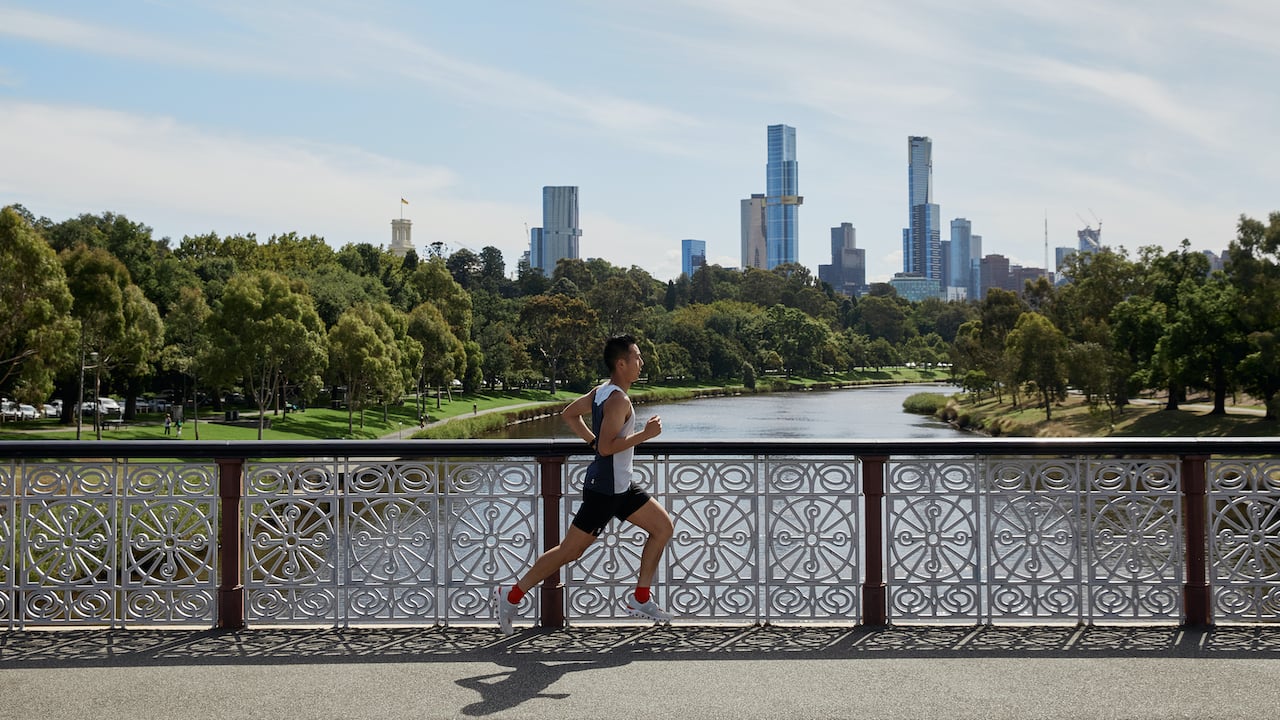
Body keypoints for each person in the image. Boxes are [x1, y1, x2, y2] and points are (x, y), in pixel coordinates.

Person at [492, 334, 674, 635]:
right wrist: (645, 434)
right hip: (605, 491)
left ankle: (641, 598)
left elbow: (569, 414)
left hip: (621, 486)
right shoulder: (617, 399)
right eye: (637, 357)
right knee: (568, 551)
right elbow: (606, 448)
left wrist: (591, 440)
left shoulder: (602, 391)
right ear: (621, 363)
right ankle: (510, 596)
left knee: (663, 527)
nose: (641, 363)